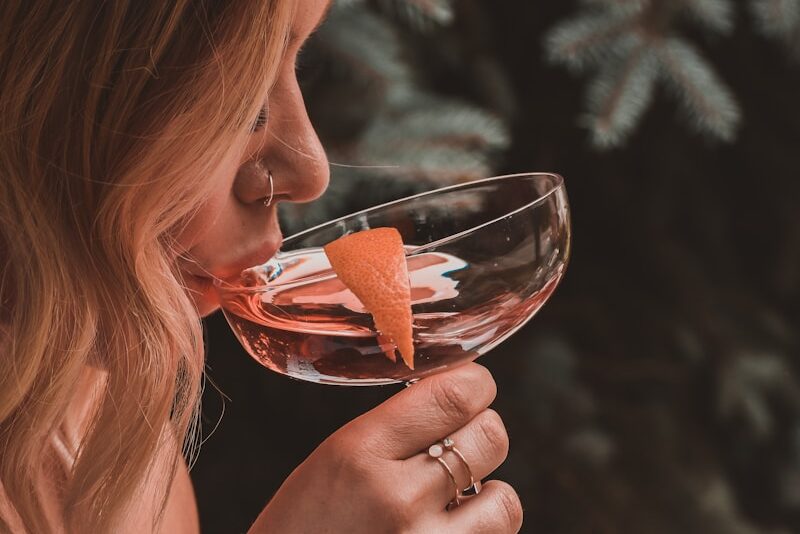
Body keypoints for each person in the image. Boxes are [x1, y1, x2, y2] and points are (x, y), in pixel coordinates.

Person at [0, 0, 523, 532]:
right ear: (46, 98)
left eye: (297, 67)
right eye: (245, 99)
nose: (311, 170)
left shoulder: (104, 429)